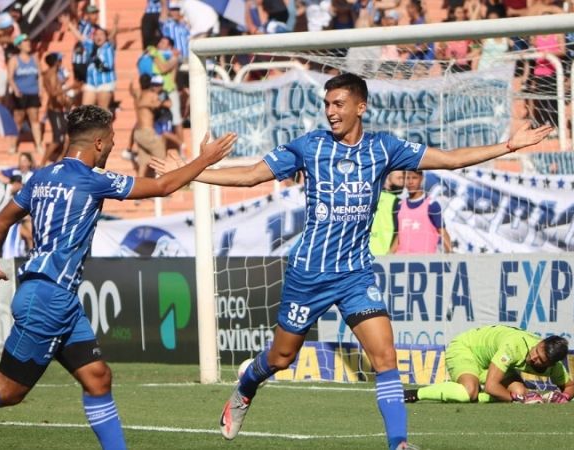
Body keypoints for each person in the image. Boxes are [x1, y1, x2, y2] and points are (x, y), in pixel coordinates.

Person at [153, 73, 551, 449]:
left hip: (356, 274)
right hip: (309, 274)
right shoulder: (310, 146)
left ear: (361, 107)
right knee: (281, 357)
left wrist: (508, 146)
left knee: (385, 357)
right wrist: (191, 171)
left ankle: (398, 442)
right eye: (327, 104)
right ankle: (246, 387)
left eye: (339, 103)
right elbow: (251, 175)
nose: (331, 111)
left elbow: (447, 159)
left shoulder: (383, 148)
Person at [0, 105, 237, 447]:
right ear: (98, 143)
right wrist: (205, 159)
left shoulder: (41, 177)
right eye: (111, 139)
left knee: (97, 378)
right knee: (7, 390)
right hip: (48, 301)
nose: (112, 146)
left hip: (55, 298)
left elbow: (1, 221)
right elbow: (163, 186)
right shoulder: (93, 179)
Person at [404, 326, 574, 404]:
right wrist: (519, 399)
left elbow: (569, 387)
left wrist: (564, 397)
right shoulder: (514, 346)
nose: (533, 358)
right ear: (540, 342)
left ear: (551, 364)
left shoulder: (554, 367)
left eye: (540, 360)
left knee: (520, 391)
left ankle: (477, 397)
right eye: (536, 350)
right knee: (468, 391)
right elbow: (492, 386)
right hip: (466, 348)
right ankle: (415, 394)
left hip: (491, 363)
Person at [391, 170, 452, 254]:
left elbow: (442, 232)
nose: (410, 182)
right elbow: (399, 235)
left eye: (414, 178)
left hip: (423, 259)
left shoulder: (431, 205)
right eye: (407, 178)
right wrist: (389, 254)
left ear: (421, 178)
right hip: (401, 258)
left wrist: (452, 255)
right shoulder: (400, 205)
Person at [8, 34, 44, 155]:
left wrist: (40, 90)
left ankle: (38, 145)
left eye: (28, 41)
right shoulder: (14, 60)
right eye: (25, 42)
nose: (28, 44)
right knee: (18, 120)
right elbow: (10, 77)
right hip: (20, 94)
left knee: (35, 119)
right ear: (19, 45)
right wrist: (15, 89)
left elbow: (39, 76)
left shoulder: (34, 58)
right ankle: (13, 145)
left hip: (33, 92)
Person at [43, 52, 71, 164]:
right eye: (60, 61)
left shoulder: (50, 73)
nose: (61, 63)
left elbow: (54, 87)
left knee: (68, 135)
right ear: (56, 63)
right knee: (57, 140)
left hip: (57, 109)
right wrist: (71, 87)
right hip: (55, 111)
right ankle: (42, 164)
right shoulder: (52, 75)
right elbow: (53, 93)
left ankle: (60, 159)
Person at [369, 170, 404, 256]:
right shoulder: (397, 202)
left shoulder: (369, 197)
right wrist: (390, 253)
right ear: (387, 178)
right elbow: (401, 232)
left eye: (403, 178)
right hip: (384, 255)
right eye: (399, 178)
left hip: (368, 254)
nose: (402, 182)